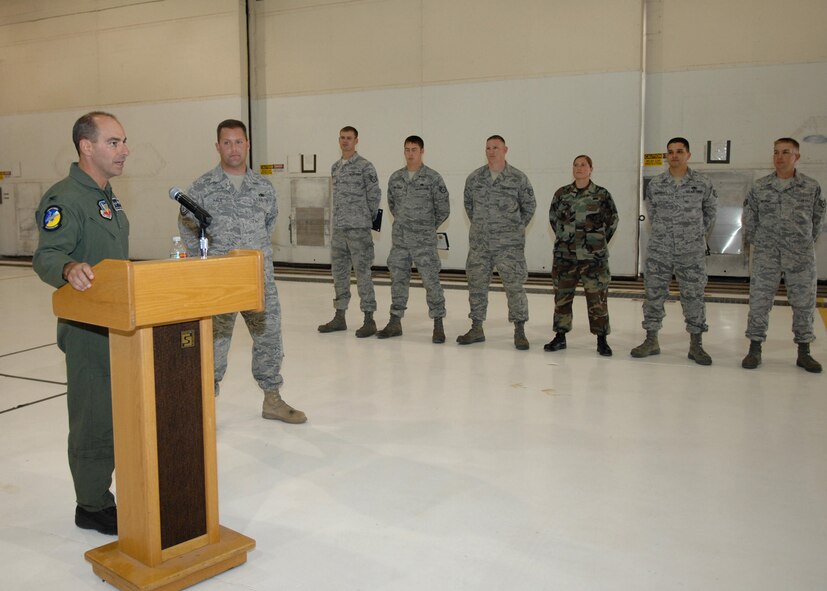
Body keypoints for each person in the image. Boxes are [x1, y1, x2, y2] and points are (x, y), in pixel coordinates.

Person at [32, 112, 130, 535]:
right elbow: (47, 254)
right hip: (88, 328)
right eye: (113, 142)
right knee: (93, 417)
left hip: (116, 323)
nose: (124, 150)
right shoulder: (66, 197)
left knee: (115, 415)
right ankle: (90, 505)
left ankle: (104, 493)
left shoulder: (105, 196)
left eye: (124, 142)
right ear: (86, 147)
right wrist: (69, 267)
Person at [178, 119, 306, 423]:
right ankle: (205, 406)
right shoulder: (202, 187)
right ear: (217, 146)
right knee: (214, 345)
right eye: (226, 142)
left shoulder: (263, 187)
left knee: (270, 339)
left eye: (238, 142)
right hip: (220, 282)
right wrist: (203, 269)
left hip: (259, 280)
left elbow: (268, 224)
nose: (233, 148)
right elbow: (187, 228)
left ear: (247, 144)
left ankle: (272, 400)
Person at [741, 138, 825, 373]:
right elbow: (749, 219)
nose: (780, 157)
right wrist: (762, 243)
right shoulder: (760, 187)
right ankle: (754, 349)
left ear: (796, 156)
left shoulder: (810, 186)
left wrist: (803, 242)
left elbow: (817, 220)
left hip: (800, 257)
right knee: (759, 302)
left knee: (804, 304)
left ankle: (804, 352)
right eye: (776, 152)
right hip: (767, 255)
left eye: (786, 152)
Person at [631, 137, 717, 365]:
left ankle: (696, 345)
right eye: (670, 152)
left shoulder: (702, 183)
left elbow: (709, 213)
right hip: (660, 249)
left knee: (694, 296)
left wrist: (694, 235)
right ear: (666, 156)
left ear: (688, 154)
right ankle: (651, 340)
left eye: (679, 151)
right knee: (653, 295)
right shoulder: (657, 184)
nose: (675, 155)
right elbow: (653, 213)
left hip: (691, 251)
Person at [457, 135, 536, 350]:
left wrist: (514, 229)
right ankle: (476, 327)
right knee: (476, 285)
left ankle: (519, 330)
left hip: (509, 246)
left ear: (505, 150)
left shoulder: (518, 178)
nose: (492, 151)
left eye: (496, 147)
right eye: (488, 148)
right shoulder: (474, 179)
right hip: (480, 244)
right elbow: (469, 206)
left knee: (514, 286)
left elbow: (529, 207)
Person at [377, 136, 450, 342]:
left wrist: (426, 226)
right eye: (407, 149)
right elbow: (393, 205)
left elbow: (443, 208)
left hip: (424, 241)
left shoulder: (433, 178)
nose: (410, 153)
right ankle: (395, 322)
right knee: (398, 280)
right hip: (400, 240)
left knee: (431, 281)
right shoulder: (396, 178)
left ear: (422, 151)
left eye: (414, 149)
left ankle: (438, 323)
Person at [545, 155, 619, 356]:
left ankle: (601, 339)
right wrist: (566, 238)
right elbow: (553, 219)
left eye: (583, 165)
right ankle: (560, 337)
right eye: (576, 165)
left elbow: (612, 221)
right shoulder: (562, 194)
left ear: (591, 169)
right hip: (565, 257)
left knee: (597, 300)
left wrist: (596, 243)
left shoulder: (601, 195)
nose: (579, 168)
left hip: (593, 260)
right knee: (562, 298)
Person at [317, 126, 382, 337]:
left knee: (363, 273)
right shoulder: (336, 167)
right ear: (339, 140)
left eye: (349, 138)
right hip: (339, 229)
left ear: (356, 141)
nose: (345, 141)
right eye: (342, 138)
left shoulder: (365, 166)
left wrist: (364, 218)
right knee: (339, 273)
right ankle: (340, 317)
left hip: (358, 229)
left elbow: (374, 196)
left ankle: (369, 319)